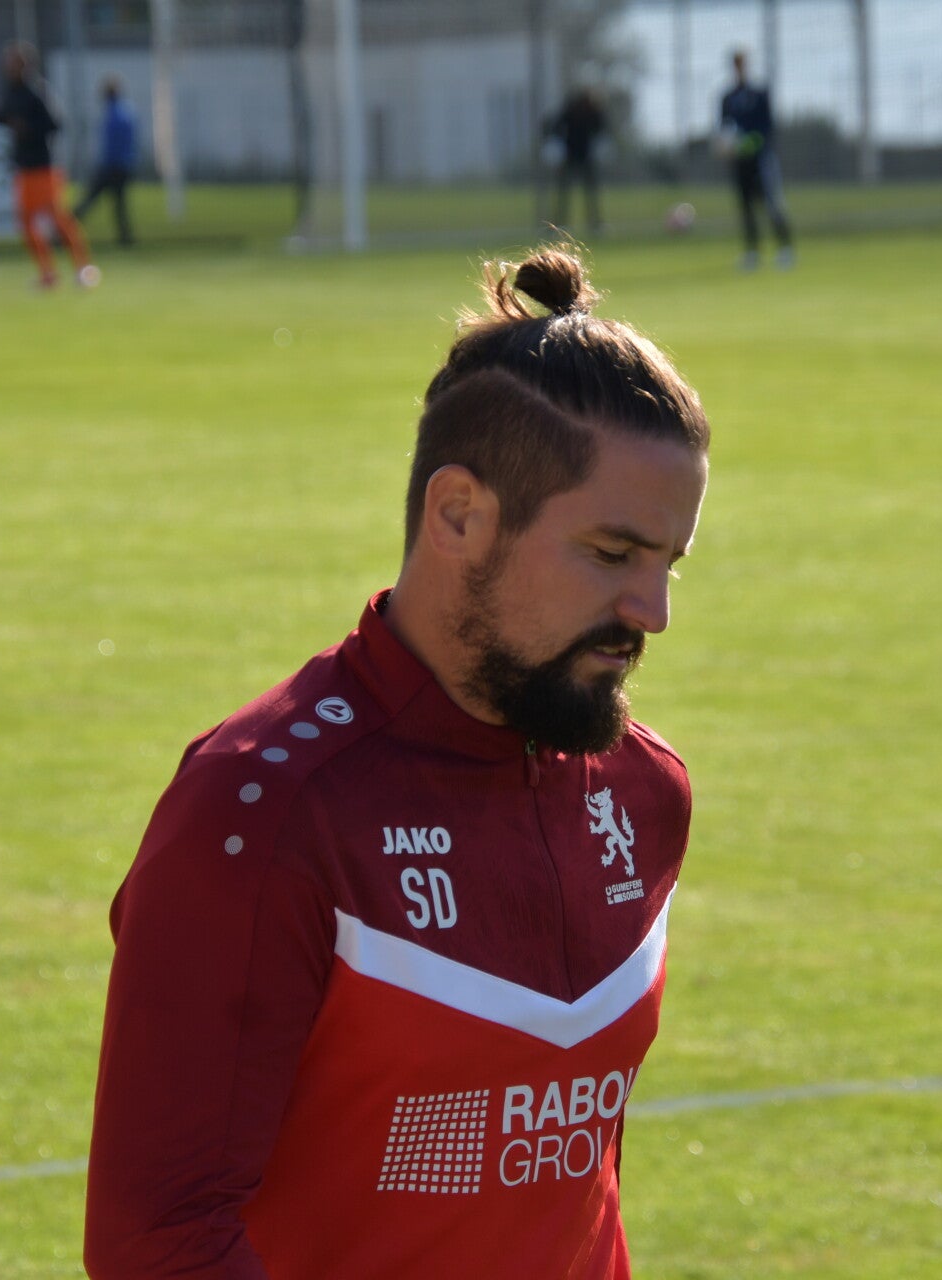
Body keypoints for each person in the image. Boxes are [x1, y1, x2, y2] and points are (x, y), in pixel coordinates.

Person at [85, 246, 712, 1280]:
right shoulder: (261, 811)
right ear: (459, 514)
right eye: (612, 555)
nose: (652, 612)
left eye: (669, 564)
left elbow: (570, 1187)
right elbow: (160, 1240)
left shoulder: (645, 792)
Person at [0, 40, 97, 289]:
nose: (8, 67)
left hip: (44, 167)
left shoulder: (37, 91)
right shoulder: (9, 91)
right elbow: (7, 118)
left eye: (14, 62)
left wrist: (28, 128)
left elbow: (54, 124)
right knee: (26, 221)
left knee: (58, 218)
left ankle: (83, 267)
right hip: (24, 167)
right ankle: (47, 273)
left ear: (25, 65)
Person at [718, 50, 794, 271]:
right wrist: (727, 145)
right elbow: (724, 128)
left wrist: (752, 142)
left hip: (762, 158)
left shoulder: (759, 94)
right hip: (740, 162)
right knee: (746, 206)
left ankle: (785, 249)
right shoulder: (727, 98)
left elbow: (767, 126)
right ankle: (752, 252)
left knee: (772, 203)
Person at [74, 76, 137, 246]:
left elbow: (110, 145)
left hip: (111, 166)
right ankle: (125, 238)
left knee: (89, 200)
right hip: (124, 165)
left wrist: (104, 164)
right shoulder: (127, 111)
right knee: (119, 204)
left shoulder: (113, 114)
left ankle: (65, 230)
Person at [545, 87, 607, 234]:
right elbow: (554, 127)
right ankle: (558, 225)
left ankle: (595, 224)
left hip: (585, 157)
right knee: (564, 193)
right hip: (571, 156)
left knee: (590, 192)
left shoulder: (593, 112)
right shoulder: (571, 111)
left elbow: (601, 127)